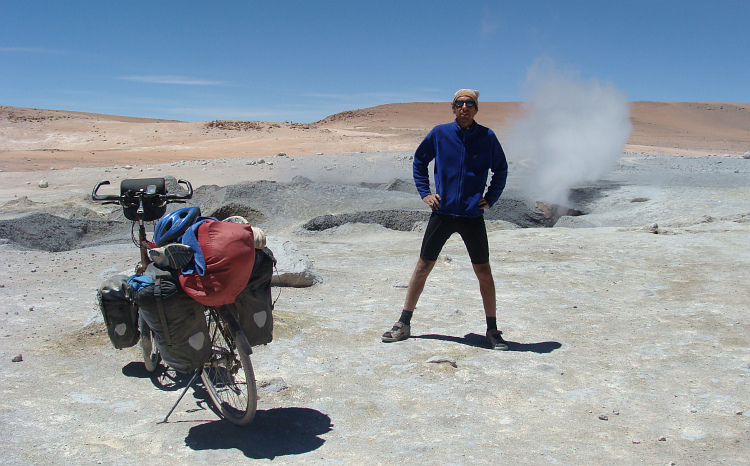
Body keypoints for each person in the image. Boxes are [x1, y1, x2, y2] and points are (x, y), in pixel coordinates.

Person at [381, 89, 510, 350]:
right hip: (442, 214)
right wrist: (425, 193)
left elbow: (501, 168)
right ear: (453, 108)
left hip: (472, 215)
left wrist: (491, 196)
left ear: (476, 109)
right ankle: (403, 323)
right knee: (423, 266)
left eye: (469, 104)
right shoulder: (440, 134)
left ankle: (493, 330)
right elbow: (420, 160)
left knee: (483, 271)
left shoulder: (487, 137)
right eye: (459, 104)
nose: (464, 107)